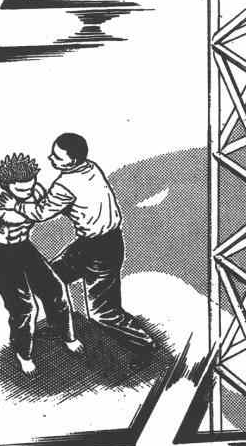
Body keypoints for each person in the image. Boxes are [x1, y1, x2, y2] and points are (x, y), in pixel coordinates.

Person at [19, 132, 153, 351]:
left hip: (102, 250)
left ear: (73, 161)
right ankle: (59, 326)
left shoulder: (65, 184)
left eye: (57, 157)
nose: (51, 159)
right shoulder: (90, 167)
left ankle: (145, 345)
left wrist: (16, 205)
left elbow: (41, 212)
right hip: (90, 245)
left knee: (103, 313)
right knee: (49, 281)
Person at [0, 152, 84, 375]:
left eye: (29, 188)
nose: (27, 193)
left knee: (56, 290)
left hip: (24, 248)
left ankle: (67, 336)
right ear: (7, 185)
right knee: (24, 308)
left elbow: (46, 211)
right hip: (1, 254)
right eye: (20, 190)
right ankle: (24, 354)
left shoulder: (37, 190)